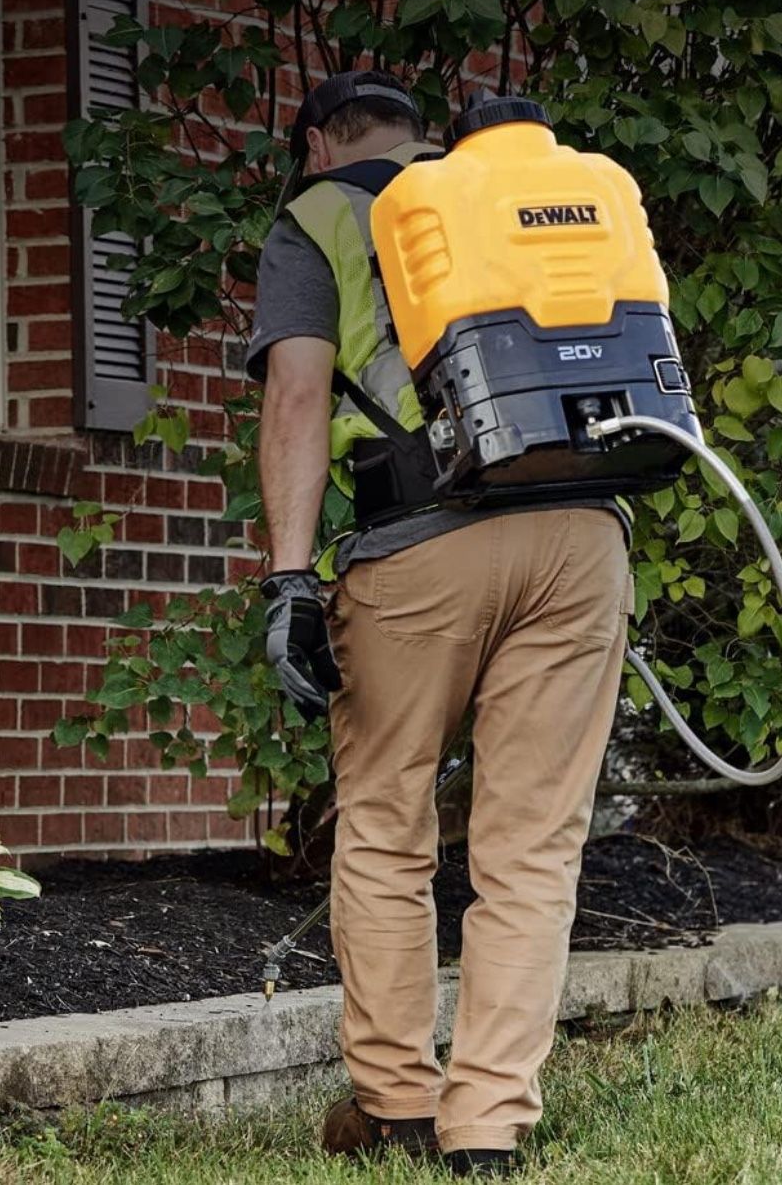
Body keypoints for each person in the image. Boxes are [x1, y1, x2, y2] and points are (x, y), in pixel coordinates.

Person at [248, 69, 631, 1179]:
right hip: (580, 532)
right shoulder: (542, 198)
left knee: (384, 821)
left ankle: (402, 1099)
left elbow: (298, 398)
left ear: (320, 141)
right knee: (530, 844)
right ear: (421, 135)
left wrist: (289, 580)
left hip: (419, 542)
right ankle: (490, 1124)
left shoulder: (321, 213)